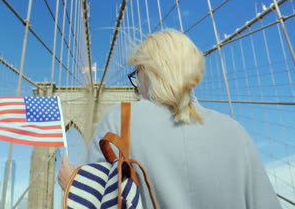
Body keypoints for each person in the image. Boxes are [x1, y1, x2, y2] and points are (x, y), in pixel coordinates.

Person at [58, 29, 282, 209]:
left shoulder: (120, 118)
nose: (137, 87)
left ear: (147, 73)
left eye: (136, 75)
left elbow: (95, 203)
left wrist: (73, 185)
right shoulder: (235, 131)